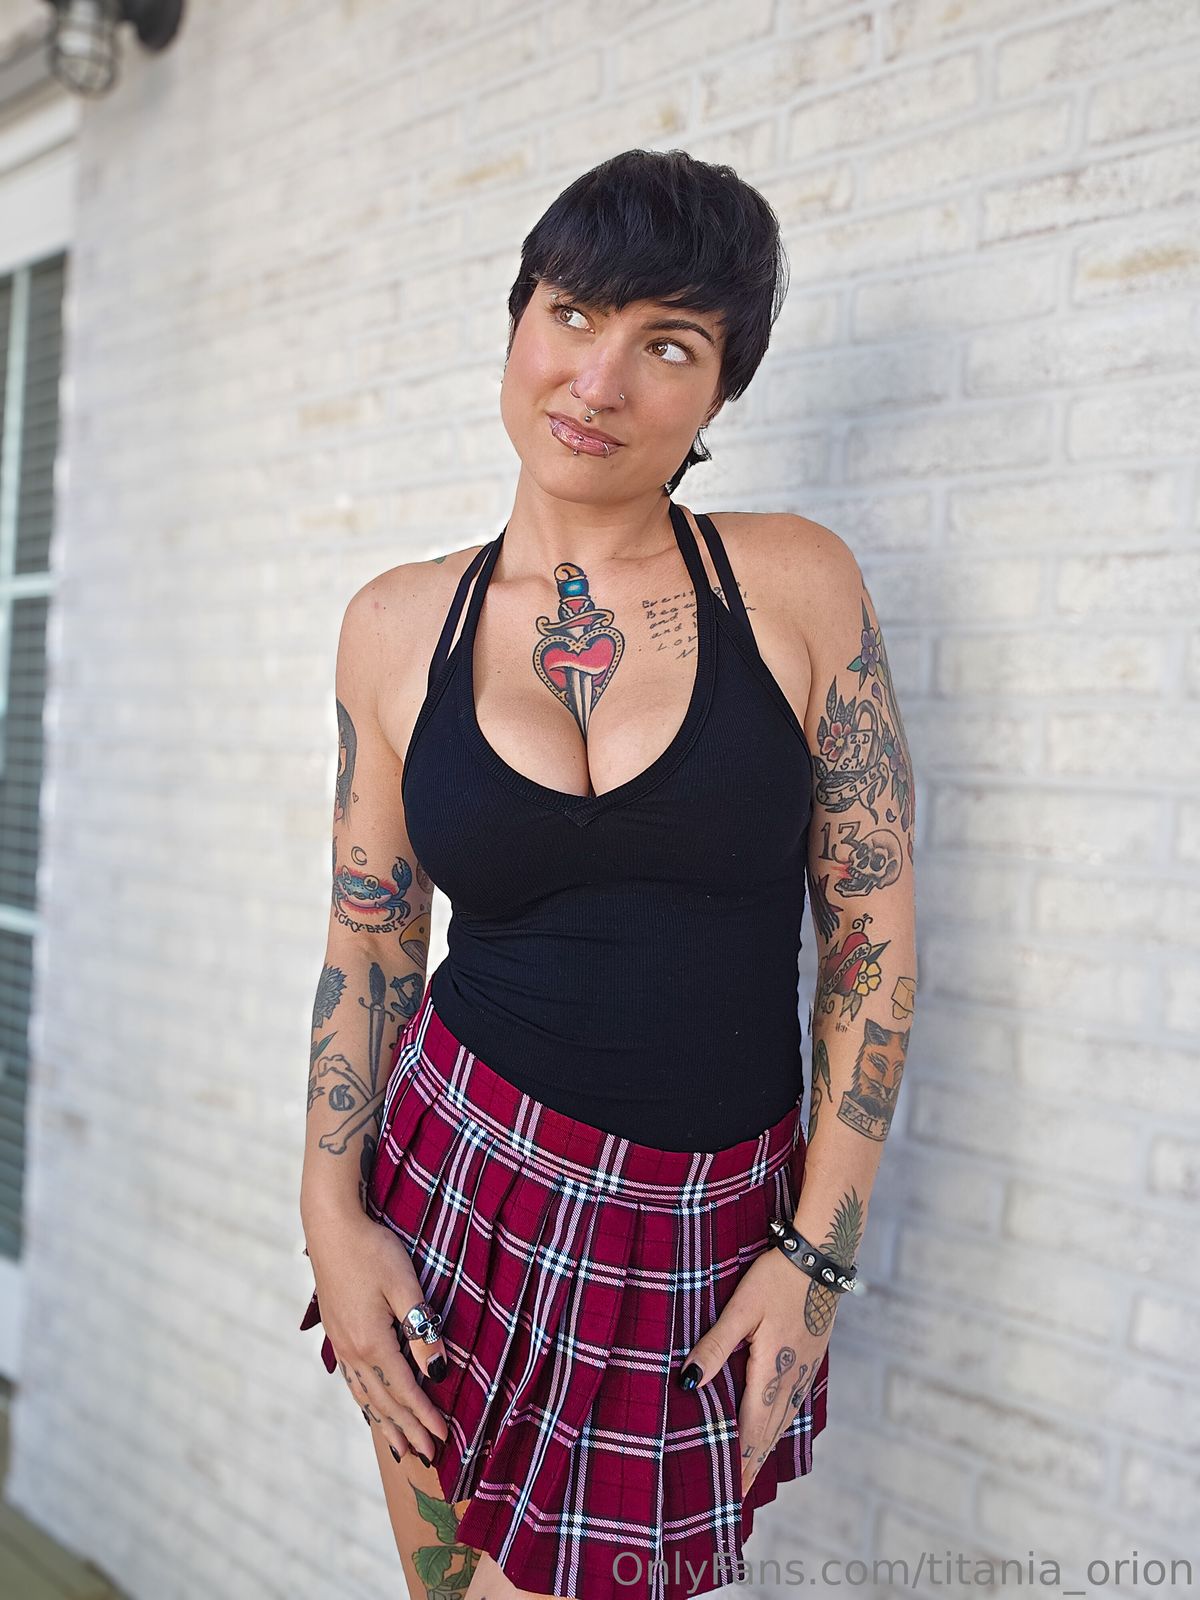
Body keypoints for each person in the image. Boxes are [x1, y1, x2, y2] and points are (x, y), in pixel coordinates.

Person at [298, 147, 918, 1600]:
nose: (599, 380)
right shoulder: (395, 625)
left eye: (669, 344)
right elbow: (372, 943)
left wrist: (816, 1258)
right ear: (518, 320)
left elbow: (874, 944)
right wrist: (331, 1216)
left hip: (704, 1228)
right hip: (456, 1188)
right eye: (573, 315)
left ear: (720, 393)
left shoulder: (793, 585)